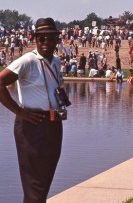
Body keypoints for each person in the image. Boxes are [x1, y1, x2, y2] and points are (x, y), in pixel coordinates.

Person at [0, 18, 65, 202]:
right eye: (41, 38)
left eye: (49, 38)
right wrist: (19, 112)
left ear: (56, 40)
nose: (45, 42)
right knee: (34, 184)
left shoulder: (56, 62)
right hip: (32, 124)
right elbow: (0, 81)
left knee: (43, 183)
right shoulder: (28, 60)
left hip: (53, 124)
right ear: (35, 39)